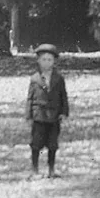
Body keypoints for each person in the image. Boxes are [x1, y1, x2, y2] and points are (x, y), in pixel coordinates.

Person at [26, 41, 70, 178]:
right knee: (36, 143)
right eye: (43, 59)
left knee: (52, 144)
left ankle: (51, 169)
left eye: (49, 60)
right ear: (38, 61)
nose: (46, 62)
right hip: (39, 116)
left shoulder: (59, 79)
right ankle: (35, 170)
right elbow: (30, 98)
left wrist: (64, 112)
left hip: (54, 116)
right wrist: (29, 115)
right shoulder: (34, 79)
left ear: (54, 61)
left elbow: (64, 96)